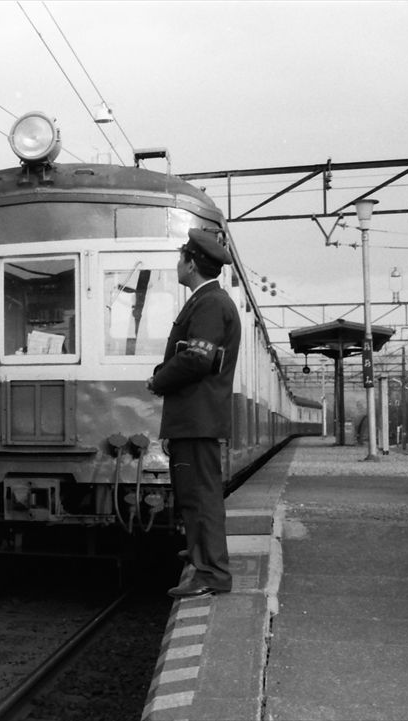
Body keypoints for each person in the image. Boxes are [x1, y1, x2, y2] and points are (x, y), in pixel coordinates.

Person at [147, 228, 241, 599]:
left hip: (197, 418)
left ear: (191, 262)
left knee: (200, 495)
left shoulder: (210, 304)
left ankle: (213, 572)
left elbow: (197, 358)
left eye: (180, 258)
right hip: (194, 418)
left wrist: (159, 380)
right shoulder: (207, 301)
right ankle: (203, 555)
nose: (177, 264)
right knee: (194, 494)